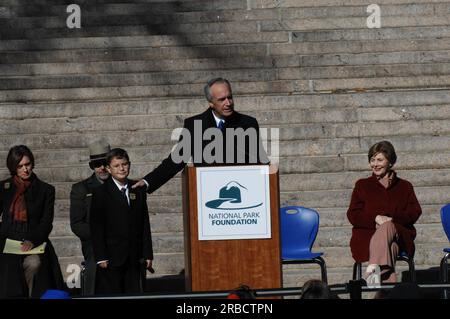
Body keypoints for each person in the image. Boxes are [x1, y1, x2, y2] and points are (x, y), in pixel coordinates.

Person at [133, 77, 269, 193]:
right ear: (211, 103)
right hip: (207, 193)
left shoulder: (247, 123)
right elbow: (176, 160)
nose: (228, 103)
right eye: (222, 99)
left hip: (241, 191)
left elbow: (259, 158)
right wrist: (148, 181)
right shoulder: (194, 125)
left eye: (230, 97)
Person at [347, 141, 422, 283]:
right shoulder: (362, 185)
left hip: (399, 235)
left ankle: (371, 275)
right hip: (368, 236)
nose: (375, 164)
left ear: (390, 162)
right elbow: (353, 214)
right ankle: (382, 283)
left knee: (388, 226)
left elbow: (415, 211)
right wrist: (375, 218)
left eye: (379, 160)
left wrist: (391, 220)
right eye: (372, 160)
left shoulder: (405, 186)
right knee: (390, 249)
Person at [0, 145, 64, 298]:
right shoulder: (3, 188)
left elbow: (46, 223)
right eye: (20, 166)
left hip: (34, 243)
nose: (25, 169)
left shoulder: (46, 190)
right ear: (13, 167)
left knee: (34, 264)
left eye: (27, 164)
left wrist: (32, 240)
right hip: (6, 242)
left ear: (32, 163)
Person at [90, 148, 153, 294]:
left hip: (134, 256)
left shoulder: (137, 189)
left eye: (124, 164)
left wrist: (147, 253)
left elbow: (144, 223)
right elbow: (96, 226)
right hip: (111, 257)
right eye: (117, 166)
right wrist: (101, 256)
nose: (121, 168)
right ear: (108, 169)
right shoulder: (101, 193)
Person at [69, 140, 111, 295]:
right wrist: (102, 234)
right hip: (94, 244)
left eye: (105, 163)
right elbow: (77, 224)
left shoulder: (122, 184)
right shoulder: (81, 189)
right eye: (97, 164)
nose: (101, 168)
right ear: (92, 166)